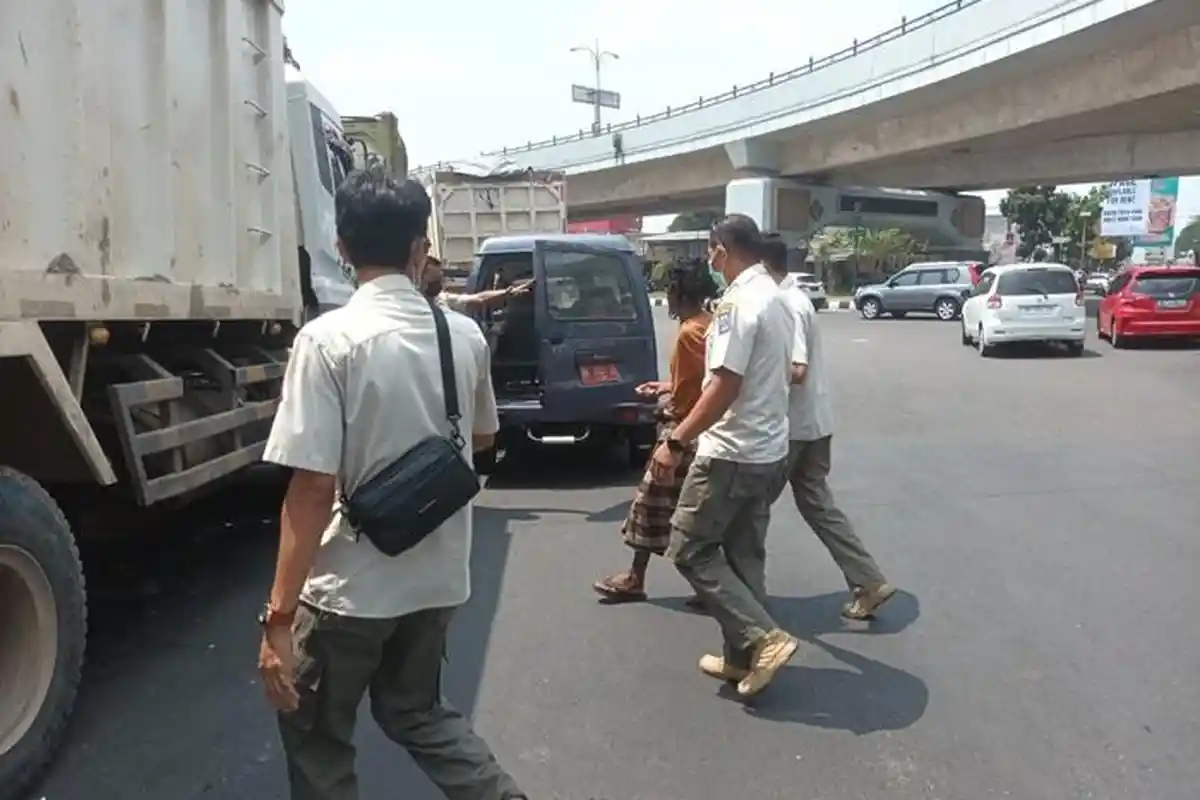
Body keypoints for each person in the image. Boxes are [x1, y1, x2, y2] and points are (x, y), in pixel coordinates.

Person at [257, 168, 526, 800]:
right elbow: (484, 438)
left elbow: (311, 488)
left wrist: (278, 619)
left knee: (318, 736)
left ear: (342, 248)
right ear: (418, 248)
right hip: (438, 580)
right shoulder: (461, 334)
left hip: (350, 590)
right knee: (418, 713)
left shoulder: (326, 341)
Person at [654, 213, 799, 698]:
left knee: (690, 547)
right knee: (743, 555)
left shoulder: (738, 304)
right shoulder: (779, 297)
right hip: (768, 450)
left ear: (721, 249)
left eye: (713, 251)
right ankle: (743, 660)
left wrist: (676, 441)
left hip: (731, 451)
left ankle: (764, 638)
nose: (712, 260)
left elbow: (725, 382)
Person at [761, 235, 897, 621]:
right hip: (815, 424)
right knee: (818, 506)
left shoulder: (785, 304)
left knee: (747, 511)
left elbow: (797, 370)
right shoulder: (796, 299)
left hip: (791, 429)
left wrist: (750, 375)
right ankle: (867, 580)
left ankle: (739, 596)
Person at [592, 259, 719, 602]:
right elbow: (706, 382)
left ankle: (637, 578)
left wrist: (669, 407)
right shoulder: (710, 324)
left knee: (650, 507)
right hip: (701, 429)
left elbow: (695, 393)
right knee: (695, 516)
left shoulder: (690, 333)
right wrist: (666, 386)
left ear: (678, 293)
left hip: (683, 432)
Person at [422, 254, 532, 311]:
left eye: (442, 277)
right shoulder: (413, 305)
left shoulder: (442, 299)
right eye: (436, 279)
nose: (443, 281)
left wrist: (507, 293)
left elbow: (479, 298)